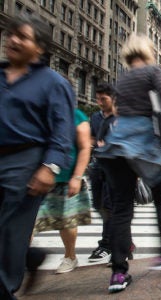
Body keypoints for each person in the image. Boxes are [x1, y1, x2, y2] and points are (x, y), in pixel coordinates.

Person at [94, 34, 161, 293]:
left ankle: (118, 273)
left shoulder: (122, 77)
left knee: (122, 208)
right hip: (146, 146)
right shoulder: (153, 71)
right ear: (147, 52)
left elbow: (119, 110)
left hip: (117, 146)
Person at [0, 14, 75, 299]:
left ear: (40, 47)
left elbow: (62, 129)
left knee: (10, 232)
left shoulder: (53, 83)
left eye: (23, 37)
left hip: (26, 163)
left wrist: (50, 166)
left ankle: (6, 289)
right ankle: (29, 258)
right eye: (11, 34)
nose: (13, 40)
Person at [33, 108, 92, 274]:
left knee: (67, 220)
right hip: (34, 175)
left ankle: (70, 256)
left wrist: (77, 177)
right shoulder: (37, 111)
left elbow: (85, 147)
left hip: (65, 176)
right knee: (26, 221)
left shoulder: (77, 115)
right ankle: (18, 259)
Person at [87, 83, 116, 264]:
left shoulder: (121, 118)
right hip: (97, 166)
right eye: (97, 98)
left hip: (115, 168)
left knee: (110, 205)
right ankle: (124, 241)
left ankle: (107, 244)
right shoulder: (95, 117)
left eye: (103, 99)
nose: (99, 102)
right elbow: (91, 136)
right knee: (99, 205)